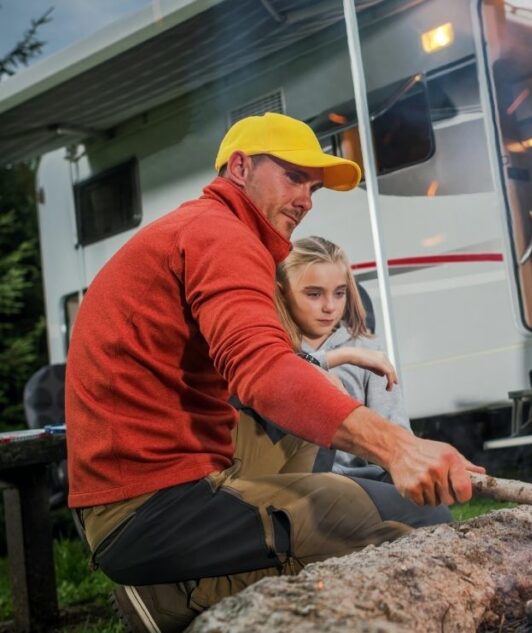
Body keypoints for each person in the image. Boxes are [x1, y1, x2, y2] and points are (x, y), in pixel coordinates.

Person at [64, 112, 482, 633]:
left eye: (313, 186)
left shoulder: (197, 228)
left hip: (137, 492)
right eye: (292, 177)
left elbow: (272, 375)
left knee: (319, 431)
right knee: (417, 521)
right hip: (151, 509)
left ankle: (213, 569)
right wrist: (399, 450)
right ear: (239, 168)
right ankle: (176, 598)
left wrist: (377, 455)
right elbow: (262, 370)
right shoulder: (220, 234)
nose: (307, 199)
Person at [274, 235, 408, 480]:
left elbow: (395, 432)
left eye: (339, 293)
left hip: (361, 481)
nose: (330, 306)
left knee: (430, 508)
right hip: (295, 481)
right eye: (314, 295)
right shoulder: (272, 346)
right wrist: (341, 356)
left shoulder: (368, 349)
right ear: (283, 294)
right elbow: (277, 373)